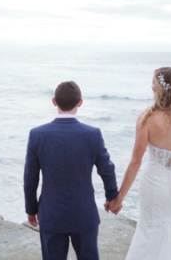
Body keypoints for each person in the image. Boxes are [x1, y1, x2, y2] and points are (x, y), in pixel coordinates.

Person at [108, 67, 171, 259]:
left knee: (150, 231)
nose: (151, 85)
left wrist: (119, 198)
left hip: (154, 184)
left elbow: (135, 162)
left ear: (158, 89)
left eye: (153, 82)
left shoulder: (147, 119)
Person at [24, 81, 119, 260]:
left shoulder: (37, 134)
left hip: (51, 214)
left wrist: (31, 209)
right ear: (80, 102)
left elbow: (30, 178)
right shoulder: (93, 134)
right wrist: (112, 197)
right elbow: (107, 170)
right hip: (84, 214)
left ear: (54, 101)